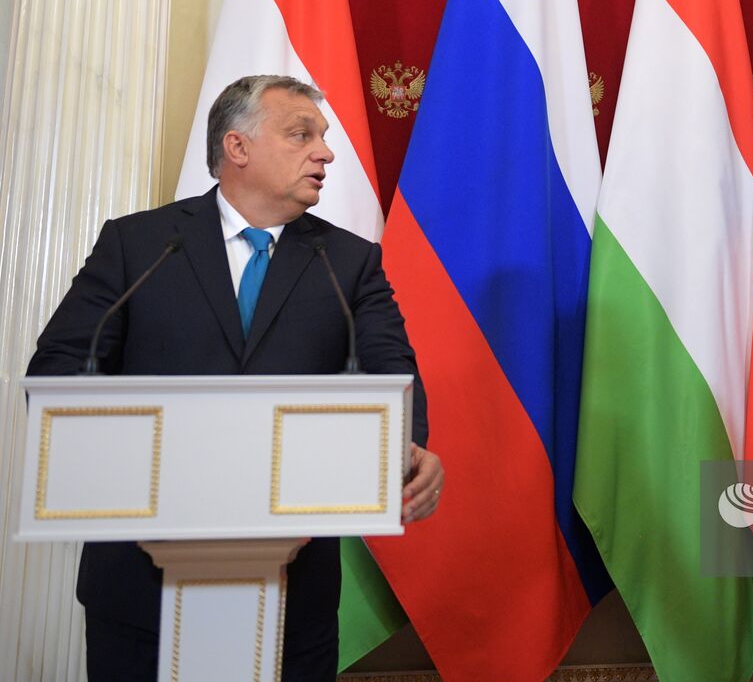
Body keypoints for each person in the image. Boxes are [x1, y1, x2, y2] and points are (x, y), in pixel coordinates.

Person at [28, 74, 445, 682]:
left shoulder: (349, 262)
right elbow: (60, 369)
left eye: (323, 137)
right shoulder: (139, 245)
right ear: (237, 147)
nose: (325, 152)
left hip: (294, 592)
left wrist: (407, 450)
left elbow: (392, 373)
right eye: (301, 134)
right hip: (140, 588)